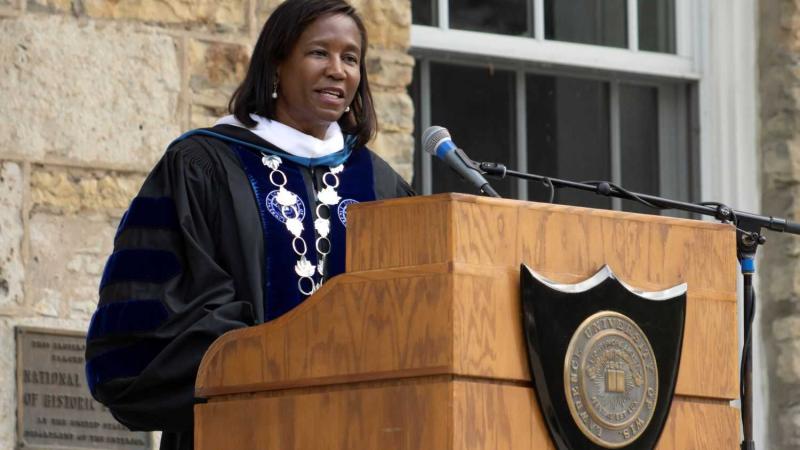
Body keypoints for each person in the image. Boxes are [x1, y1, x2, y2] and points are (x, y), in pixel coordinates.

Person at [84, 1, 414, 448]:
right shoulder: (204, 165)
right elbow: (157, 319)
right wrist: (279, 355)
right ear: (277, 62)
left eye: (350, 58)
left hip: (360, 432)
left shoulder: (381, 185)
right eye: (319, 53)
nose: (338, 70)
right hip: (236, 431)